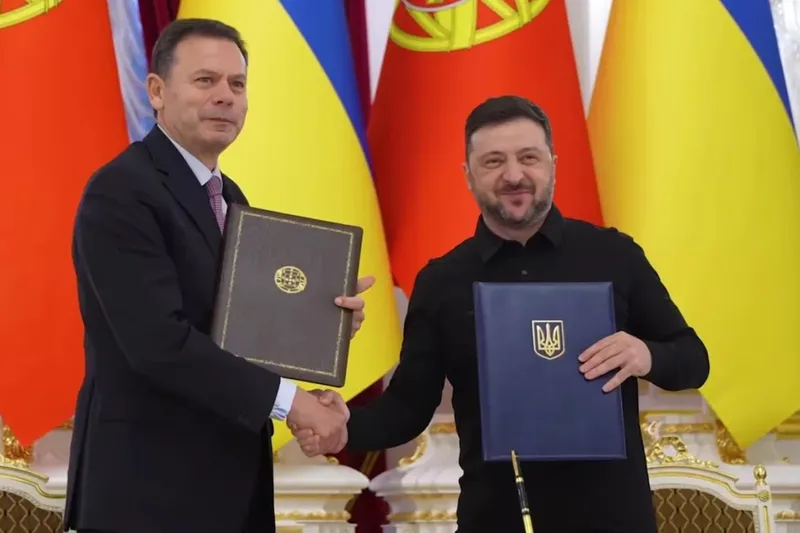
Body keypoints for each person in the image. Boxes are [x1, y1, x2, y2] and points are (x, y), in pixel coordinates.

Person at [292, 95, 710, 533]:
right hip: (495, 518)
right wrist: (345, 427)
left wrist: (646, 354)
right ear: (468, 175)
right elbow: (409, 406)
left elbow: (693, 359)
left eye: (528, 157)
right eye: (493, 162)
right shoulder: (442, 280)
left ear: (552, 164)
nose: (513, 175)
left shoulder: (614, 255)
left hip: (613, 518)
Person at [65, 18, 362, 533]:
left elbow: (236, 329)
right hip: (147, 495)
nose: (225, 96)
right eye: (205, 80)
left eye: (237, 84)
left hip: (230, 485)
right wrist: (290, 403)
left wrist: (324, 328)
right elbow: (159, 343)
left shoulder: (230, 198)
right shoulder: (121, 191)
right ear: (157, 91)